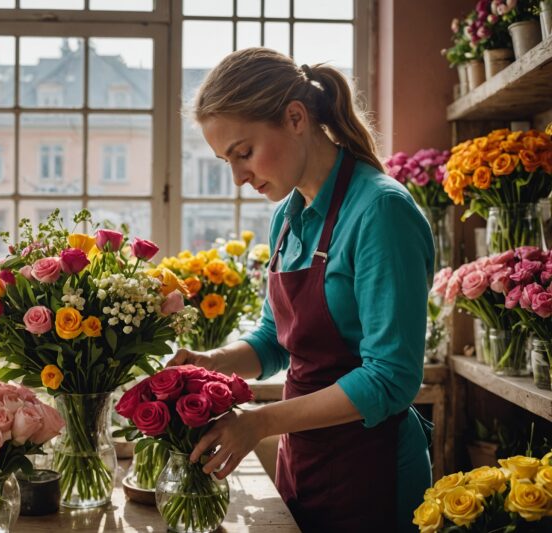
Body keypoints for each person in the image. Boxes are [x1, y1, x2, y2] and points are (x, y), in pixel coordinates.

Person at [167, 48, 434, 532]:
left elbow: (391, 378)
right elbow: (275, 339)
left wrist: (262, 421)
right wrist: (213, 361)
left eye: (243, 153)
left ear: (295, 118)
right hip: (305, 461)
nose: (238, 177)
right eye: (227, 160)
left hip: (371, 472)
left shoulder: (380, 212)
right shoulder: (287, 217)